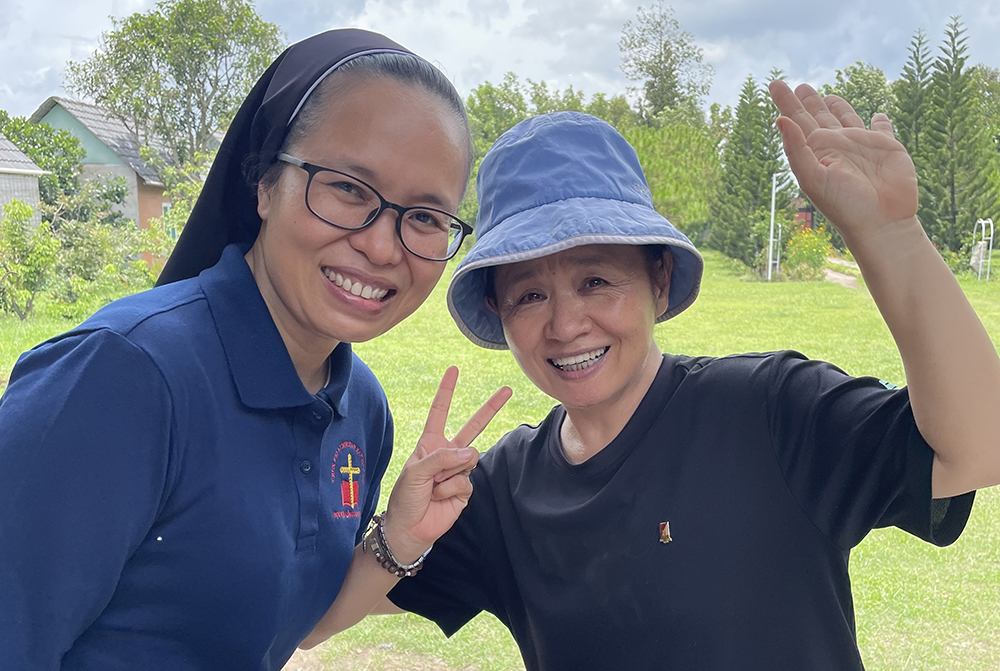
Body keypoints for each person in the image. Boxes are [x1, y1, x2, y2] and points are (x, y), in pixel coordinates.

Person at [377, 85, 999, 669]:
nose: (566, 325)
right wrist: (396, 540)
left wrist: (891, 237)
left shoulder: (770, 411)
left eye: (596, 280)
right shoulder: (501, 491)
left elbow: (982, 448)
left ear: (660, 280)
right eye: (529, 295)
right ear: (498, 312)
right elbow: (322, 615)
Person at [0, 29, 509, 670]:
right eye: (349, 187)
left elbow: (298, 626)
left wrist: (398, 539)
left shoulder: (360, 408)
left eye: (426, 216)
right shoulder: (124, 377)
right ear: (265, 185)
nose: (383, 248)